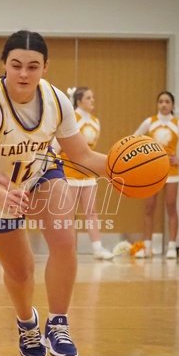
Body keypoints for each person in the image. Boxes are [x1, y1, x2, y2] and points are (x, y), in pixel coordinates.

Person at [0, 30, 107, 356]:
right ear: (4, 64)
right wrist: (2, 197)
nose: (24, 74)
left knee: (64, 239)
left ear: (45, 67)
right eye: (16, 65)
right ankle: (27, 323)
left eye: (33, 66)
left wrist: (120, 168)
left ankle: (58, 323)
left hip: (40, 172)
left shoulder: (57, 100)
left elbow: (82, 155)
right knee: (21, 271)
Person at [133, 91, 179, 259]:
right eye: (161, 101)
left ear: (172, 105)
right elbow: (132, 140)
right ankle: (147, 247)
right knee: (149, 207)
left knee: (171, 207)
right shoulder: (150, 122)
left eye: (167, 101)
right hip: (151, 171)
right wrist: (144, 156)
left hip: (171, 172)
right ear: (157, 104)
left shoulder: (178, 124)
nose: (164, 104)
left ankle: (171, 246)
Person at [52, 87, 113, 260]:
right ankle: (70, 250)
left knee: (91, 211)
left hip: (88, 174)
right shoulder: (71, 119)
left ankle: (97, 249)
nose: (92, 100)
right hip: (69, 173)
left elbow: (89, 152)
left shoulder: (95, 121)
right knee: (70, 214)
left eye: (92, 97)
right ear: (78, 101)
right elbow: (55, 147)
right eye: (88, 97)